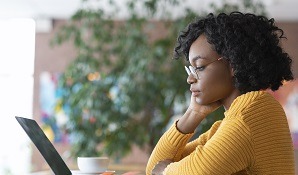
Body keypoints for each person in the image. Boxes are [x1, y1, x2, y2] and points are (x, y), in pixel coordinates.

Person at [146, 11, 295, 175]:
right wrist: (193, 113)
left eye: (200, 67)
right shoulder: (226, 126)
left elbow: (196, 172)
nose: (190, 78)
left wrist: (165, 172)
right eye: (191, 68)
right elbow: (153, 167)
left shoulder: (251, 113)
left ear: (234, 65)